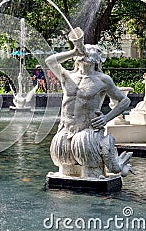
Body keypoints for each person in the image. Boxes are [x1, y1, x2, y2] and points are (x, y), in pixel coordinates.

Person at [45, 27, 134, 178]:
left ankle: (116, 167)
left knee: (90, 174)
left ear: (98, 58)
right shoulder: (67, 76)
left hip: (87, 134)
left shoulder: (102, 79)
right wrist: (73, 51)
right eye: (84, 50)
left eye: (90, 49)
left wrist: (106, 118)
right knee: (66, 173)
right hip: (65, 131)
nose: (86, 51)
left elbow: (125, 101)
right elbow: (49, 61)